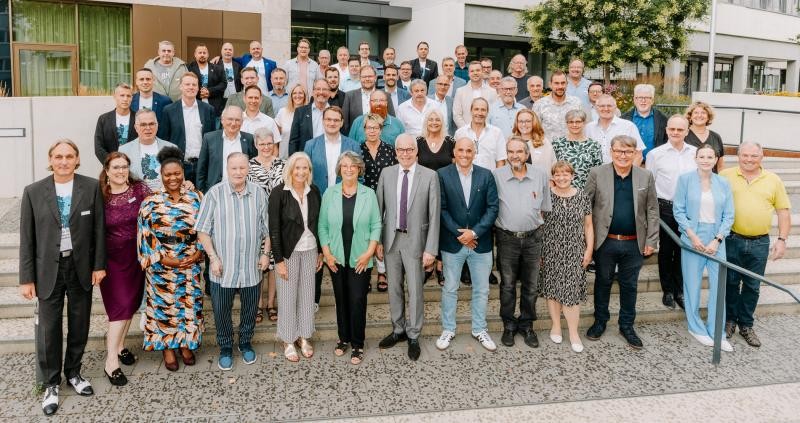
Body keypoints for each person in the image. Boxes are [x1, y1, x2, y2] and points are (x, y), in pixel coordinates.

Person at [19, 140, 106, 415]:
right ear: (51, 159)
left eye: (69, 156)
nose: (64, 161)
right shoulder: (33, 192)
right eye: (59, 156)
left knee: (80, 324)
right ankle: (51, 384)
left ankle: (74, 373)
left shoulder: (91, 187)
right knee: (49, 329)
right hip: (48, 270)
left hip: (80, 268)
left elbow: (99, 232)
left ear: (77, 159)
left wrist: (98, 265)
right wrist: (26, 278)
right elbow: (27, 239)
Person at [196, 152, 270, 370]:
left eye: (242, 168)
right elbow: (202, 230)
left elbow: (268, 230)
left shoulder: (258, 193)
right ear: (227, 170)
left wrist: (266, 254)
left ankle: (245, 343)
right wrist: (213, 258)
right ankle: (226, 347)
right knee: (221, 310)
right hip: (222, 268)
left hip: (251, 266)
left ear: (248, 169)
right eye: (234, 168)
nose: (238, 172)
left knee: (249, 309)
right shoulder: (214, 194)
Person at [584, 135, 659, 349]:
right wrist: (586, 240)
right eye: (618, 151)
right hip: (605, 241)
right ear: (611, 151)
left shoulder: (645, 176)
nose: (623, 155)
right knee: (603, 282)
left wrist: (652, 240)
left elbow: (652, 210)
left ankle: (627, 326)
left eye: (628, 151)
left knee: (629, 285)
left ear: (636, 153)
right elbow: (585, 206)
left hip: (634, 243)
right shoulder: (597, 173)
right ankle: (600, 321)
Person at [137, 146, 204, 371]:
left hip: (189, 261)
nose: (173, 178)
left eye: (177, 174)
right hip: (161, 264)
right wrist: (165, 260)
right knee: (165, 308)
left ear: (183, 173)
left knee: (188, 305)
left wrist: (198, 252)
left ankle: (185, 344)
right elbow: (145, 235)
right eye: (168, 175)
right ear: (161, 175)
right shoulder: (150, 202)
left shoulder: (196, 198)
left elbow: (206, 227)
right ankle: (167, 347)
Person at [375, 134, 441, 361]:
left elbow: (434, 215)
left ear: (416, 151)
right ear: (395, 152)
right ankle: (398, 330)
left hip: (416, 243)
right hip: (391, 242)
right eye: (401, 149)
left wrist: (431, 249)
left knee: (415, 290)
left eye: (409, 149)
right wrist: (377, 242)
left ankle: (414, 334)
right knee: (394, 289)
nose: (405, 153)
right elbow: (378, 210)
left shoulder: (430, 176)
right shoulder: (387, 173)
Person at [721, 142, 791, 347]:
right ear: (738, 156)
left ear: (762, 157)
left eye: (754, 156)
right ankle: (730, 320)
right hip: (732, 239)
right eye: (745, 155)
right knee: (731, 283)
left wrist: (782, 240)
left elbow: (783, 211)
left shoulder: (773, 180)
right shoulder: (725, 175)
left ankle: (746, 325)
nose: (749, 160)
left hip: (760, 242)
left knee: (752, 286)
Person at [436, 137, 499, 352]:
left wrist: (474, 233)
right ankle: (448, 328)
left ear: (475, 152)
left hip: (480, 243)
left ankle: (479, 328)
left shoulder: (486, 175)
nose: (464, 154)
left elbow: (492, 208)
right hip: (452, 243)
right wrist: (460, 234)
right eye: (460, 150)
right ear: (454, 151)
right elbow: (441, 209)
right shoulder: (442, 175)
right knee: (450, 288)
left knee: (481, 289)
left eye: (469, 151)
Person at [318, 152, 382, 365]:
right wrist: (326, 254)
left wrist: (369, 252)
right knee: (341, 299)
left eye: (352, 166)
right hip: (336, 258)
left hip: (360, 258)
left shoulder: (368, 194)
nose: (348, 169)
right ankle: (343, 338)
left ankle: (357, 343)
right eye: (344, 165)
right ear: (339, 169)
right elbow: (323, 226)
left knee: (357, 300)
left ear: (359, 169)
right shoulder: (330, 193)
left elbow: (376, 225)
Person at [673, 145, 735, 352]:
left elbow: (729, 215)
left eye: (710, 157)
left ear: (716, 159)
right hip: (693, 236)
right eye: (702, 156)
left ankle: (718, 331)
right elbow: (678, 210)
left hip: (716, 238)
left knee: (719, 287)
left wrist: (717, 239)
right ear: (696, 158)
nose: (706, 160)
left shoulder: (723, 183)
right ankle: (696, 328)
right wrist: (692, 236)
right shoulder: (685, 180)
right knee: (692, 285)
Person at [98, 152, 150, 386]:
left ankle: (119, 346)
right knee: (119, 307)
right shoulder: (99, 195)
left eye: (125, 167)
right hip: (111, 260)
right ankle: (111, 362)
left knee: (131, 303)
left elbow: (157, 206)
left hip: (136, 257)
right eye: (116, 167)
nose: (121, 171)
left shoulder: (139, 190)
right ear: (107, 170)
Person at [493, 137, 550, 349]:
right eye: (510, 151)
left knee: (531, 286)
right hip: (507, 238)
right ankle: (508, 324)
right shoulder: (496, 176)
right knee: (507, 285)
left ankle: (526, 325)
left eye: (519, 151)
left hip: (534, 238)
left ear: (527, 154)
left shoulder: (540, 175)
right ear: (506, 154)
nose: (514, 156)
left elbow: (544, 207)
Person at [268, 152, 322, 362]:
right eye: (297, 168)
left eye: (305, 168)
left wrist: (319, 252)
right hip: (288, 252)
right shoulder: (279, 193)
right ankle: (288, 339)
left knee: (307, 296)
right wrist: (278, 260)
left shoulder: (314, 191)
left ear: (309, 171)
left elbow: (318, 222)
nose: (301, 172)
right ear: (290, 169)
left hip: (310, 249)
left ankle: (304, 336)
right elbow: (274, 229)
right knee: (288, 297)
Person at [645, 115, 698, 310]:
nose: (675, 133)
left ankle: (680, 291)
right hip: (665, 207)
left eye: (680, 130)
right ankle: (667, 290)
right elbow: (650, 185)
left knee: (684, 249)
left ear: (687, 131)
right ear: (667, 130)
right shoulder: (655, 154)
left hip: (689, 208)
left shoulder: (695, 153)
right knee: (666, 250)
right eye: (672, 129)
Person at [541, 161, 593, 353]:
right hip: (550, 250)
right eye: (558, 174)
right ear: (553, 177)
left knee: (571, 293)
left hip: (574, 250)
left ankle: (573, 332)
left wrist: (589, 250)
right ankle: (555, 325)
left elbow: (588, 225)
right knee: (552, 289)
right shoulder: (547, 197)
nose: (562, 177)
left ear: (572, 176)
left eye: (566, 174)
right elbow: (540, 223)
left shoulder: (582, 197)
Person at [247, 127, 286, 323]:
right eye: (262, 144)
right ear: (256, 145)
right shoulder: (248, 166)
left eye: (269, 143)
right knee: (258, 264)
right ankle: (258, 305)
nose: (266, 147)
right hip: (257, 222)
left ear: (274, 144)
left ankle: (271, 304)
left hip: (278, 221)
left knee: (274, 263)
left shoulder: (283, 165)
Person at [158, 72, 216, 185]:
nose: (191, 87)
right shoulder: (169, 110)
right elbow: (163, 139)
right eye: (187, 84)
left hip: (202, 165)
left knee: (202, 198)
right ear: (181, 86)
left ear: (198, 87)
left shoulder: (208, 109)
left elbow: (212, 139)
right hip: (179, 165)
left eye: (194, 85)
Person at [196, 106, 257, 193]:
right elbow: (201, 169)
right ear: (222, 120)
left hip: (243, 191)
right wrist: (201, 193)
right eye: (230, 119)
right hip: (215, 191)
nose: (233, 123)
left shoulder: (249, 139)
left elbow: (253, 166)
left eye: (237, 120)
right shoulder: (209, 138)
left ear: (242, 122)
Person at [303, 106, 361, 196]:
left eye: (336, 120)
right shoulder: (310, 145)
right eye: (328, 119)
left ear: (342, 123)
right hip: (316, 197)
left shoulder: (353, 146)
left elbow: (359, 175)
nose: (332, 123)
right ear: (323, 121)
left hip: (345, 198)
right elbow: (305, 175)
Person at [119, 109, 179, 191]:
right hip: (137, 200)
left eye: (151, 124)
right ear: (136, 127)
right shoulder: (124, 150)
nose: (148, 128)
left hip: (166, 198)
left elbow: (180, 179)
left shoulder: (172, 148)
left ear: (157, 126)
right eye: (143, 125)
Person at [585, 94, 645, 165]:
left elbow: (638, 155)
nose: (606, 109)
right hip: (595, 173)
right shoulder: (588, 128)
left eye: (609, 106)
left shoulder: (628, 126)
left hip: (622, 173)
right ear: (596, 108)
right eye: (602, 106)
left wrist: (630, 175)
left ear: (615, 107)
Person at [551, 109, 603, 189]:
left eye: (578, 122)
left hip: (586, 191)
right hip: (562, 190)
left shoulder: (594, 145)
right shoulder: (557, 144)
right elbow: (552, 168)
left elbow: (598, 171)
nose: (574, 125)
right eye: (571, 122)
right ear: (566, 124)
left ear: (584, 123)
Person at [454, 97, 506, 170]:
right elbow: (456, 159)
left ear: (487, 112)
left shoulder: (497, 133)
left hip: (490, 179)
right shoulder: (460, 133)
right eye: (476, 109)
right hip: (466, 178)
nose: (479, 113)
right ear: (471, 111)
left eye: (483, 110)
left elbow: (500, 161)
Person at [532, 70, 583, 141]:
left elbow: (582, 127)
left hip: (571, 149)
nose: (560, 86)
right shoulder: (539, 105)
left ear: (567, 84)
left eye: (563, 83)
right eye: (556, 83)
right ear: (550, 84)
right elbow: (535, 131)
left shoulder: (576, 103)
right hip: (548, 149)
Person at [621, 84, 668, 159]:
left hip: (655, 163)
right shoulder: (624, 119)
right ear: (635, 100)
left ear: (652, 100)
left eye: (647, 98)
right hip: (630, 163)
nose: (643, 101)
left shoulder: (663, 119)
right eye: (640, 97)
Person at [342, 65, 392, 134]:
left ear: (375, 78)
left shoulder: (386, 95)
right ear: (360, 78)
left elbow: (392, 120)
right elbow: (345, 124)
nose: (367, 79)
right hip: (357, 139)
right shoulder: (349, 96)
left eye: (370, 76)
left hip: (381, 137)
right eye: (364, 77)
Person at [94, 83, 138, 162]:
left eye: (128, 96)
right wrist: (112, 163)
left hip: (134, 167)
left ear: (132, 98)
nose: (125, 99)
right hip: (111, 168)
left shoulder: (138, 118)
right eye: (122, 95)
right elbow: (98, 147)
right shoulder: (104, 119)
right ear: (114, 96)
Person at [288, 79, 330, 155]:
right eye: (318, 89)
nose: (321, 92)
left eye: (324, 89)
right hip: (305, 159)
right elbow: (293, 141)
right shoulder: (300, 112)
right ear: (313, 92)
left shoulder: (335, 112)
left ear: (329, 93)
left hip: (329, 156)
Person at [360, 113, 398, 192]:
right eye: (369, 128)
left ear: (381, 130)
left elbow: (395, 174)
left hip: (386, 193)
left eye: (376, 128)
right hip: (364, 195)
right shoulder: (358, 150)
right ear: (364, 130)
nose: (372, 131)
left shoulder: (390, 150)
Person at [453, 61, 497, 129]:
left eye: (478, 70)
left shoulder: (492, 92)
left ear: (482, 72)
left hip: (487, 133)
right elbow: (457, 115)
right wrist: (467, 130)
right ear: (468, 74)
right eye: (472, 71)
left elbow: (494, 114)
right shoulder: (460, 92)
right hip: (466, 134)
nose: (475, 73)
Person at [186, 44, 227, 117]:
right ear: (195, 54)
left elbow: (223, 84)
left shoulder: (217, 68)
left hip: (215, 107)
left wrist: (209, 91)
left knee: (214, 128)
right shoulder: (189, 68)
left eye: (204, 53)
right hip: (195, 107)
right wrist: (199, 93)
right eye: (200, 53)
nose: (202, 55)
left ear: (208, 55)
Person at [684, 101, 725, 172]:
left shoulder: (716, 137)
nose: (699, 115)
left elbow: (720, 166)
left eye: (703, 113)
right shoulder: (684, 135)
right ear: (690, 117)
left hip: (712, 180)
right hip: (689, 180)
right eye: (696, 113)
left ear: (708, 117)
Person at [512, 109, 555, 173]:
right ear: (517, 123)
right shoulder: (511, 142)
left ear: (534, 123)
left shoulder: (543, 142)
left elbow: (552, 166)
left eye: (528, 121)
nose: (524, 124)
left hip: (540, 181)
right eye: (520, 121)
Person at [275, 83, 308, 159]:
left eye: (300, 93)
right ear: (291, 96)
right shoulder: (282, 112)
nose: (297, 95)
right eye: (294, 93)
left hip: (304, 157)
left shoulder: (309, 113)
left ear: (305, 95)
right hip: (284, 156)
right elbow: (276, 137)